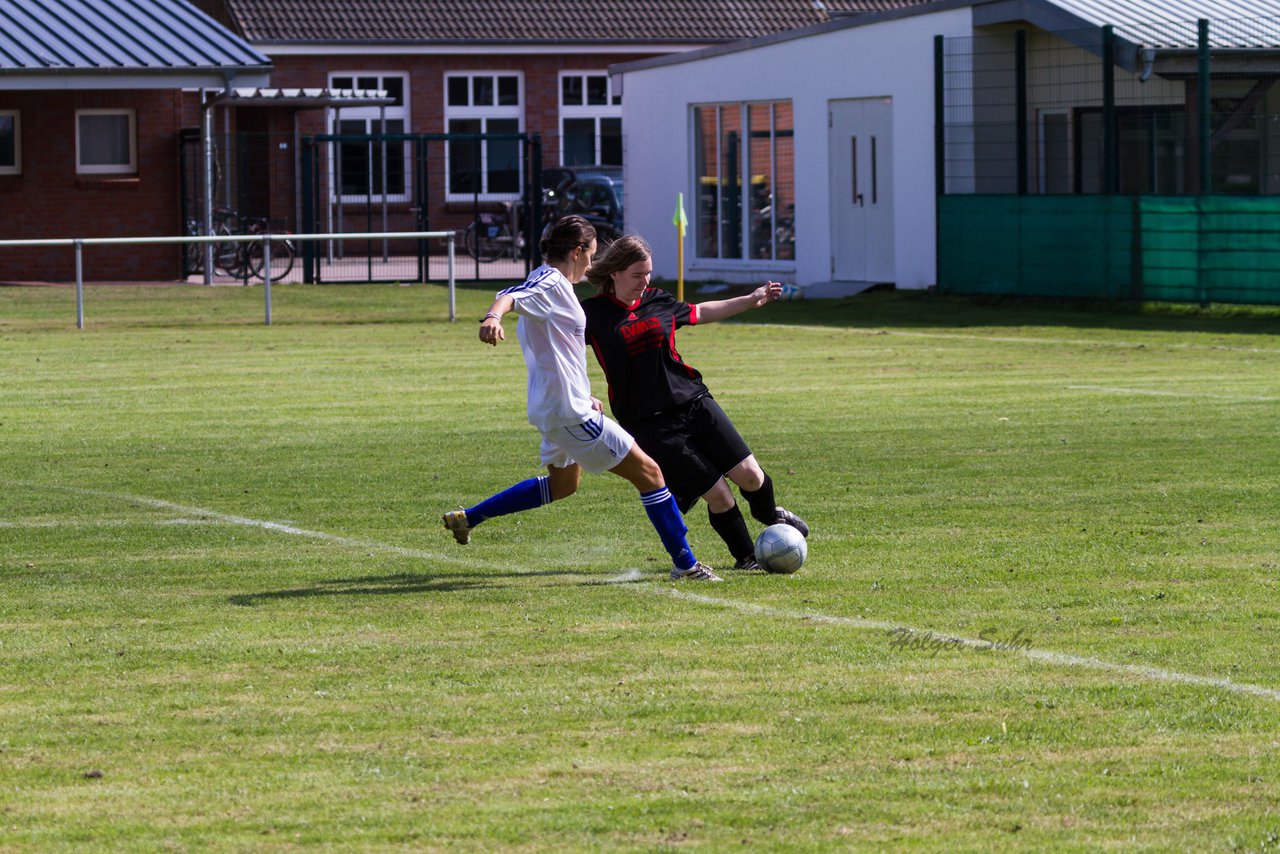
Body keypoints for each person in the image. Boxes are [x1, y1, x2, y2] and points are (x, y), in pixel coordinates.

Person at [442, 216, 722, 582]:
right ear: (576, 251)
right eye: (591, 254)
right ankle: (686, 565)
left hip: (559, 407)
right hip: (567, 414)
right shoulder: (551, 282)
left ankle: (469, 518)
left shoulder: (554, 287)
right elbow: (508, 296)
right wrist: (493, 317)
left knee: (564, 486)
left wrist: (583, 391)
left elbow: (557, 349)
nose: (593, 263)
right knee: (652, 474)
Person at [581, 234, 809, 570]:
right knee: (718, 494)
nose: (645, 282)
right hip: (650, 422)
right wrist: (581, 390)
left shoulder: (657, 300)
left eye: (648, 274)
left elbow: (700, 311)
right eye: (637, 275)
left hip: (694, 401)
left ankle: (769, 514)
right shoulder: (592, 314)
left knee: (750, 475)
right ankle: (746, 557)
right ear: (614, 272)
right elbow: (560, 351)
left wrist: (751, 299)